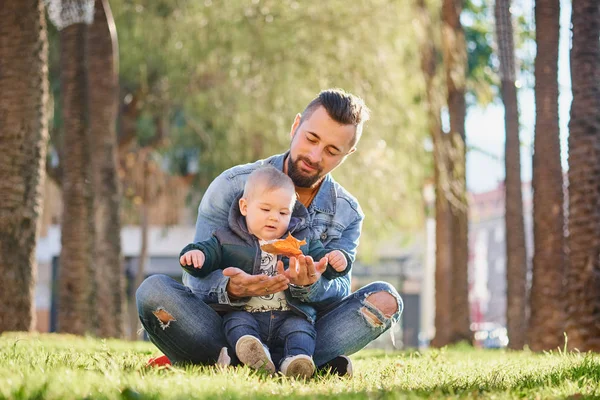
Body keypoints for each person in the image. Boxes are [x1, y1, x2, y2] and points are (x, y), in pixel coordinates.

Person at [137, 88, 403, 377]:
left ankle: (248, 361)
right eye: (311, 139)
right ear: (295, 126)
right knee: (153, 292)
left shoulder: (348, 212)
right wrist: (231, 289)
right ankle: (295, 364)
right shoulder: (231, 185)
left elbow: (338, 292)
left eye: (331, 151)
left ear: (347, 154)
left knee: (386, 299)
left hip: (300, 327)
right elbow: (195, 280)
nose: (315, 156)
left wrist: (311, 286)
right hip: (229, 326)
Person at [178, 166, 351, 377]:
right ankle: (255, 356)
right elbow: (207, 253)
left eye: (283, 212)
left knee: (302, 330)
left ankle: (296, 362)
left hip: (291, 314)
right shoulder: (226, 239)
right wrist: (196, 255)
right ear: (244, 207)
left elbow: (322, 261)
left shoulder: (301, 241)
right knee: (235, 324)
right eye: (265, 209)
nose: (274, 218)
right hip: (245, 313)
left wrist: (335, 262)